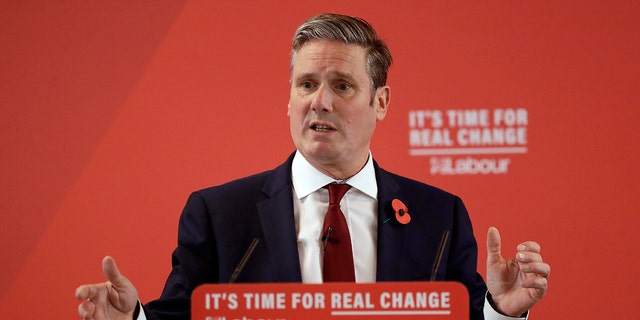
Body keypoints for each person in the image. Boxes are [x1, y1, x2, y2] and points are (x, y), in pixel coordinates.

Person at [75, 13, 549, 320]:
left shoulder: (437, 214)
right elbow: (180, 317)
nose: (318, 102)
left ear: (380, 102)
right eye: (306, 84)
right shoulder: (221, 213)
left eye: (342, 85)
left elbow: (463, 315)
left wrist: (500, 312)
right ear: (289, 99)